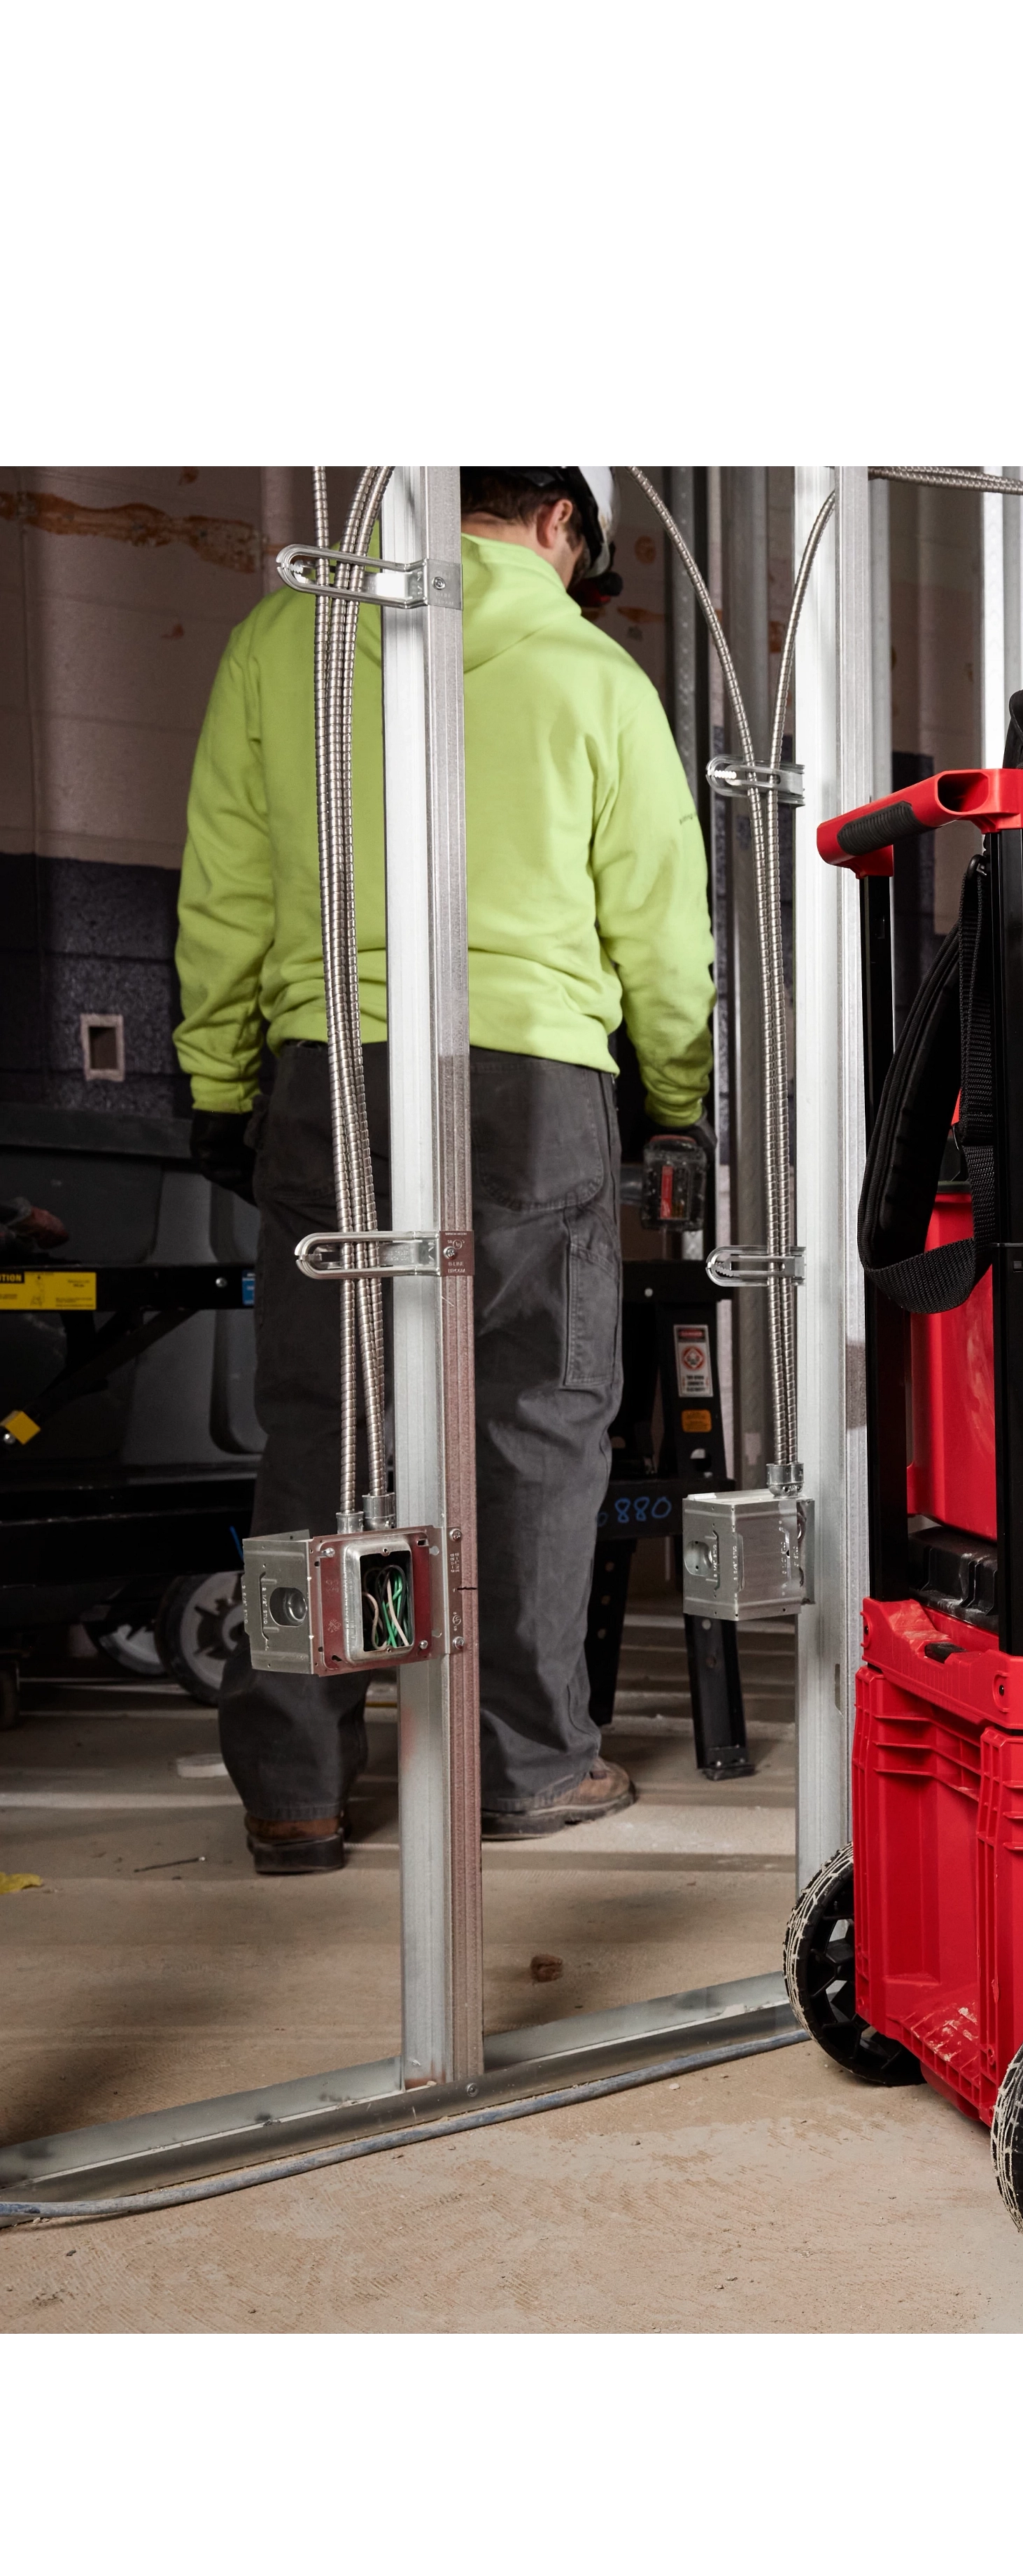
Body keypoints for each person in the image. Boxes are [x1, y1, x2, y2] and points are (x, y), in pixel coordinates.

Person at [176, 463, 713, 1869]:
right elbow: (659, 918)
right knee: (533, 1419)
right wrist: (676, 1091)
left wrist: (222, 1077)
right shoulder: (591, 672)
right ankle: (523, 1764)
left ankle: (293, 1783)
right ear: (559, 524)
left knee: (324, 1417)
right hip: (533, 1075)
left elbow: (223, 882)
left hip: (330, 1065)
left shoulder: (280, 637)